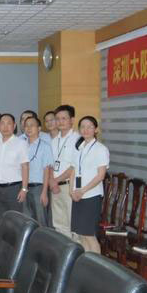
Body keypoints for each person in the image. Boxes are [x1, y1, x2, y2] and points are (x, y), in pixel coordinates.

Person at [69, 116, 109, 253]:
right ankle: (86, 261)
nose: (85, 130)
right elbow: (74, 170)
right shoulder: (79, 148)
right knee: (81, 234)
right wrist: (71, 190)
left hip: (91, 195)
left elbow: (100, 175)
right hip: (77, 195)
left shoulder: (100, 149)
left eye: (90, 127)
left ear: (96, 129)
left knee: (89, 235)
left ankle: (96, 264)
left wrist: (83, 190)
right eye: (82, 127)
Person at [0, 114, 29, 215]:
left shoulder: (21, 143)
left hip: (14, 188)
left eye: (9, 124)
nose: (5, 127)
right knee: (0, 218)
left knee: (15, 219)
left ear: (14, 126)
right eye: (2, 123)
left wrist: (24, 189)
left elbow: (25, 166)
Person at [50, 104, 80, 238]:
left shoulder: (78, 139)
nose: (60, 122)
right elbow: (50, 164)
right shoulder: (54, 140)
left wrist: (55, 180)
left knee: (73, 224)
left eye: (64, 118)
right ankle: (63, 250)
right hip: (55, 187)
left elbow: (74, 167)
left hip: (70, 186)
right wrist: (52, 181)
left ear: (72, 120)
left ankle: (76, 250)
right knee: (59, 224)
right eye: (57, 119)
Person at [23, 116, 53, 227]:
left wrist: (44, 192)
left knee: (41, 221)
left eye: (32, 125)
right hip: (24, 188)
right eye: (26, 126)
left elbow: (47, 170)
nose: (29, 128)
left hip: (38, 188)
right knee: (26, 221)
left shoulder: (45, 146)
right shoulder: (21, 145)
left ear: (39, 128)